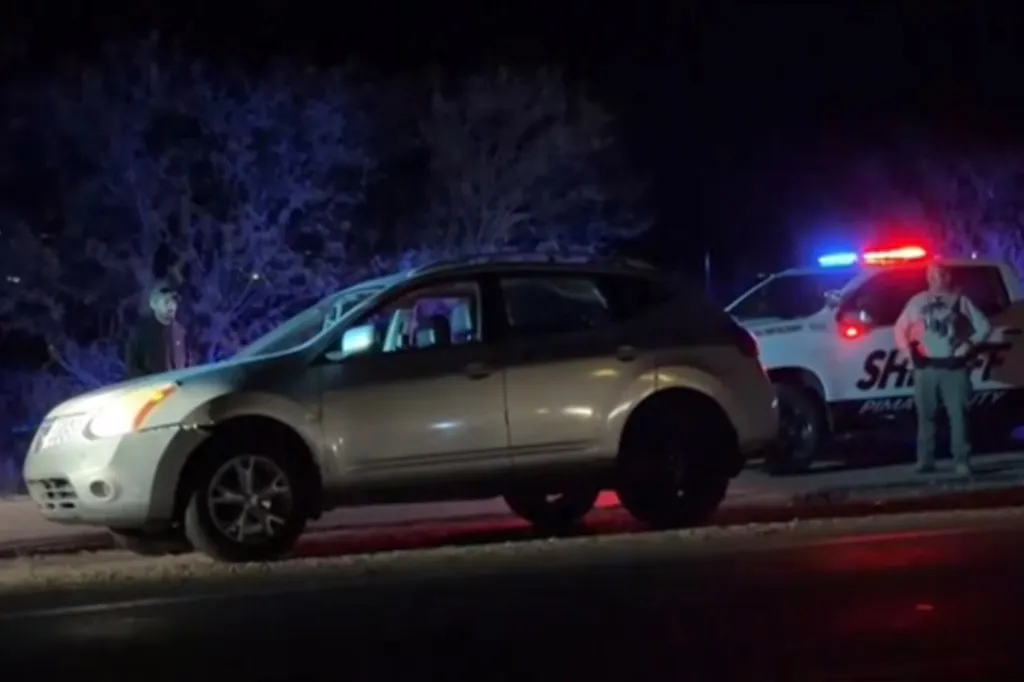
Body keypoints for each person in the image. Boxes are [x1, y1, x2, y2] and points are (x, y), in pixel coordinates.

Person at [894, 263, 992, 475]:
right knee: (925, 416)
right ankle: (925, 460)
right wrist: (909, 354)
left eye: (940, 274)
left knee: (958, 415)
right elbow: (900, 329)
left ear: (948, 277)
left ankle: (961, 460)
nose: (936, 278)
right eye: (932, 275)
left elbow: (984, 326)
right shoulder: (917, 301)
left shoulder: (961, 300)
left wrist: (968, 345)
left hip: (953, 367)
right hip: (925, 368)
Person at [125, 280, 188, 379]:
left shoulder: (181, 332)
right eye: (166, 301)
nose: (171, 306)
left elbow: (188, 362)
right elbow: (132, 369)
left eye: (174, 301)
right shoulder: (140, 333)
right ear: (153, 304)